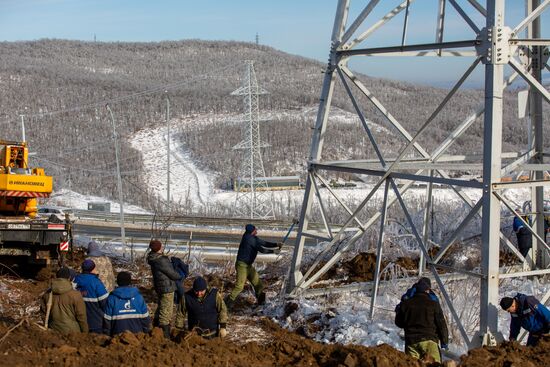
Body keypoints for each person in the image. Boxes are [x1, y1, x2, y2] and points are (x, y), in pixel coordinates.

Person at [225, 224, 283, 310]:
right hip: (242, 266)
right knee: (239, 287)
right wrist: (274, 251)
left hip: (248, 266)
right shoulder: (249, 239)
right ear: (252, 231)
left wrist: (276, 244)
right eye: (255, 230)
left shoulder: (251, 237)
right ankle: (226, 305)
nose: (257, 231)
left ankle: (261, 304)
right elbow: (262, 249)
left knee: (258, 284)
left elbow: (263, 243)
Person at [395, 277, 448, 363]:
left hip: (411, 342)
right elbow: (441, 324)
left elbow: (399, 323)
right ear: (428, 289)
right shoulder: (433, 304)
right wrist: (444, 341)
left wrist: (399, 311)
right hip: (429, 341)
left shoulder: (406, 303)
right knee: (434, 365)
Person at [147, 239, 182, 337]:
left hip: (161, 287)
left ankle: (155, 330)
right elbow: (172, 274)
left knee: (161, 308)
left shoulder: (153, 257)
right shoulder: (161, 260)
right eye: (161, 246)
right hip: (167, 288)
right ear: (158, 248)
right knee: (166, 312)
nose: (162, 248)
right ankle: (165, 335)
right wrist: (180, 275)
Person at [103, 271, 151, 336]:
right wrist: (145, 334)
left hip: (117, 338)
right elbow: (146, 319)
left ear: (117, 282)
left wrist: (107, 335)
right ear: (130, 282)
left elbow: (107, 321)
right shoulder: (138, 297)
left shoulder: (112, 298)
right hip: (137, 337)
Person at [42, 267, 88, 334]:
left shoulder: (47, 294)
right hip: (72, 333)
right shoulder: (76, 295)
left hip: (53, 331)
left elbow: (43, 313)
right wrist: (85, 333)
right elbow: (82, 317)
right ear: (69, 278)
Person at [74, 259, 109, 333]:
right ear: (93, 269)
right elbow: (105, 303)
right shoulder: (96, 283)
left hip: (78, 322)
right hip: (95, 322)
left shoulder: (75, 280)